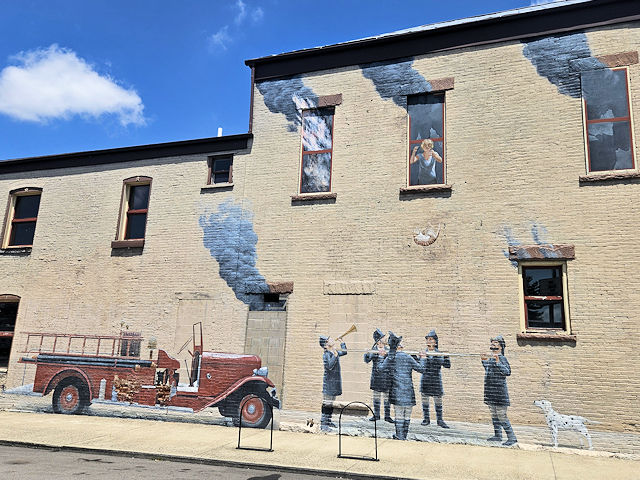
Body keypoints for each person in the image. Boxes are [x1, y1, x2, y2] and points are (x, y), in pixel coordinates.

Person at [379, 331, 426, 440]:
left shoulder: (390, 357)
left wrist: (381, 357)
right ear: (400, 347)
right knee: (407, 416)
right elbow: (421, 369)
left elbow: (380, 369)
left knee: (399, 415)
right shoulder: (408, 357)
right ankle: (403, 437)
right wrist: (423, 358)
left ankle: (400, 437)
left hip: (396, 392)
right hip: (408, 392)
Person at [481, 335, 517, 446]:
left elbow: (507, 372)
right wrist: (484, 361)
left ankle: (512, 437)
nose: (493, 344)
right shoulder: (491, 357)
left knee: (502, 416)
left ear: (501, 346)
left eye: (495, 342)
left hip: (500, 392)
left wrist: (498, 362)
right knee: (494, 415)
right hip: (490, 391)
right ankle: (498, 435)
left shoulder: (502, 358)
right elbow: (488, 369)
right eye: (492, 342)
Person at [420, 329, 451, 428]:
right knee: (425, 401)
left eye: (431, 339)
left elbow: (447, 365)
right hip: (425, 380)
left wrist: (446, 357)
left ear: (435, 342)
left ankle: (440, 420)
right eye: (427, 339)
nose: (429, 341)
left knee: (438, 402)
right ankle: (426, 419)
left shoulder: (439, 353)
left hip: (436, 380)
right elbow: (419, 366)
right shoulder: (422, 353)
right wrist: (420, 357)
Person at [363, 328, 393, 423]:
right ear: (379, 340)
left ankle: (387, 416)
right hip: (376, 377)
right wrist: (367, 353)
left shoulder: (388, 350)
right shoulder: (374, 350)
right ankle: (376, 415)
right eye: (383, 337)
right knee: (376, 397)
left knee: (387, 398)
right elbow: (367, 360)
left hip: (386, 377)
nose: (384, 339)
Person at [320, 335, 347, 431]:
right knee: (326, 404)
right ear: (325, 345)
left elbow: (344, 352)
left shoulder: (333, 352)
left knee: (331, 404)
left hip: (334, 383)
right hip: (329, 384)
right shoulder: (326, 354)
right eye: (329, 340)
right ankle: (324, 425)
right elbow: (329, 366)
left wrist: (342, 343)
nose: (332, 340)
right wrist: (335, 355)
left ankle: (328, 421)